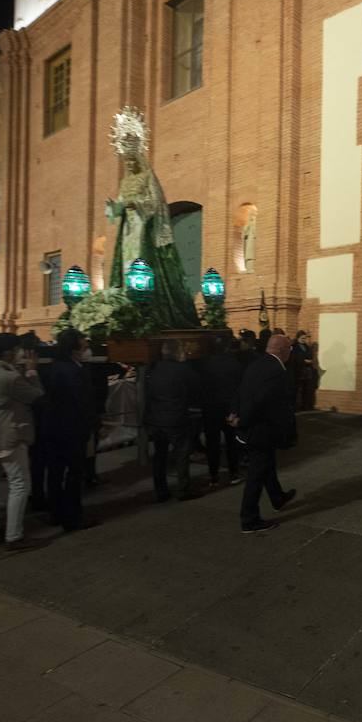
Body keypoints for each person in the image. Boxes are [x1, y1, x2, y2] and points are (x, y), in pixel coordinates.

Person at [105, 107, 200, 328]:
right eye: (125, 159)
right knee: (126, 264)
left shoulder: (148, 176)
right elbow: (118, 205)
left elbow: (156, 203)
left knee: (142, 263)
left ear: (138, 156)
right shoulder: (125, 182)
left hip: (143, 227)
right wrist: (114, 207)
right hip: (128, 230)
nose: (128, 163)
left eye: (131, 158)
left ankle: (148, 307)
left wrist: (136, 204)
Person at [0, 332, 49, 551]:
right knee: (20, 484)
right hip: (10, 432)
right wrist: (31, 370)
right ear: (8, 352)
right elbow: (37, 396)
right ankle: (14, 536)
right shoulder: (10, 377)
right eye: (17, 349)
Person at [233, 333, 297, 533]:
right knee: (256, 474)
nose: (290, 353)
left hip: (252, 427)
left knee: (267, 464)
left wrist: (234, 412)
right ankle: (249, 519)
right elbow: (262, 401)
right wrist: (243, 419)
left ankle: (277, 497)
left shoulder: (257, 363)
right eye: (289, 349)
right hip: (261, 430)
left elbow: (242, 390)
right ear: (283, 350)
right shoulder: (277, 370)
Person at [39, 329, 95, 530]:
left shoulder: (55, 367)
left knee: (55, 472)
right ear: (75, 346)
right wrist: (90, 424)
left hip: (54, 427)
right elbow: (81, 402)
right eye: (83, 340)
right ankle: (72, 517)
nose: (86, 343)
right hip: (72, 428)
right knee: (73, 474)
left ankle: (56, 512)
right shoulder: (74, 371)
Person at [144, 338, 202, 502]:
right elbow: (196, 387)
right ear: (178, 353)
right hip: (176, 419)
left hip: (156, 419)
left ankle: (160, 491)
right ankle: (183, 489)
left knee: (159, 456)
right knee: (182, 453)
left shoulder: (154, 368)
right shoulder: (183, 370)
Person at [197, 333, 243, 488]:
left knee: (212, 444)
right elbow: (239, 387)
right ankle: (234, 473)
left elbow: (201, 387)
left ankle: (214, 476)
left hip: (210, 409)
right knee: (231, 443)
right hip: (228, 408)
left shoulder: (204, 363)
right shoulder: (234, 363)